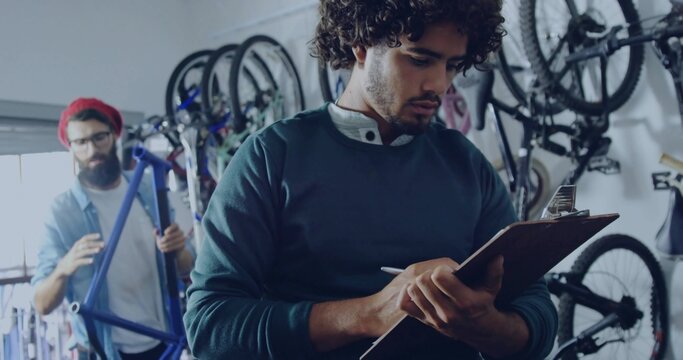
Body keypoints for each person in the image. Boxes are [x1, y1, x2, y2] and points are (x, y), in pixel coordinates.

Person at [183, 0, 558, 358]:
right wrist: (369, 314)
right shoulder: (272, 157)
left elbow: (536, 311)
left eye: (453, 65)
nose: (439, 85)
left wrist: (485, 326)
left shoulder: (466, 164)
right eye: (420, 59)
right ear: (361, 44)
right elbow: (210, 326)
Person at [31, 98, 196, 359]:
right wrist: (63, 268)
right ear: (70, 148)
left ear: (115, 136)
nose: (92, 150)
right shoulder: (61, 212)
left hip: (164, 341)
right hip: (105, 351)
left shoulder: (146, 187)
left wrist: (177, 251)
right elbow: (41, 304)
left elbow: (186, 266)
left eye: (99, 137)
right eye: (81, 143)